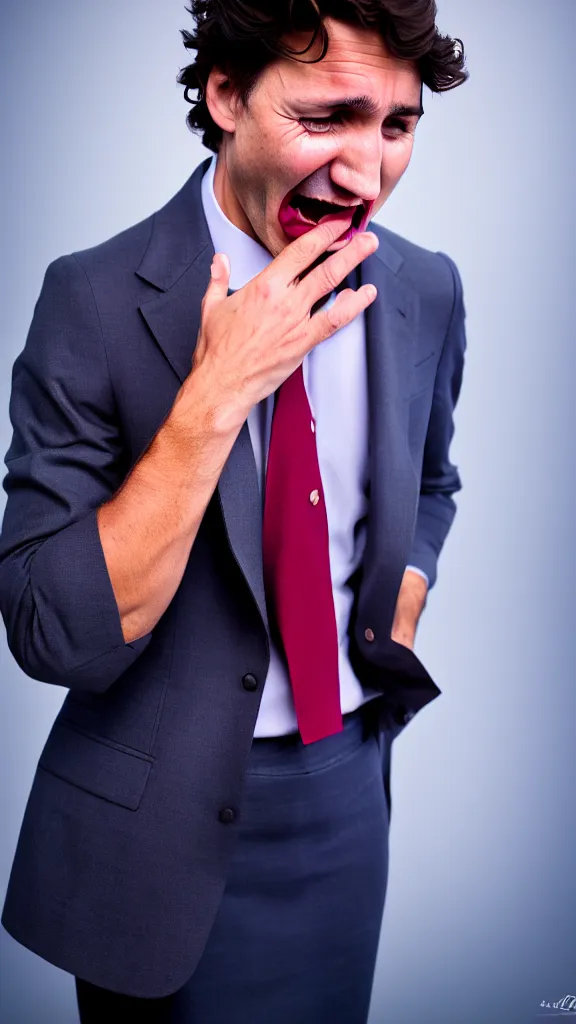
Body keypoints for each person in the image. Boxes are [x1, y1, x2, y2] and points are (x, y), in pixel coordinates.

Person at [0, 1, 468, 1021]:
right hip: (152, 833)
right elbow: (51, 630)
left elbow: (433, 481)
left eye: (397, 125)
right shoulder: (88, 298)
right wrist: (218, 394)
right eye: (326, 117)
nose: (366, 172)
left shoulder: (424, 287)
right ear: (225, 95)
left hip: (345, 795)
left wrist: (410, 588)